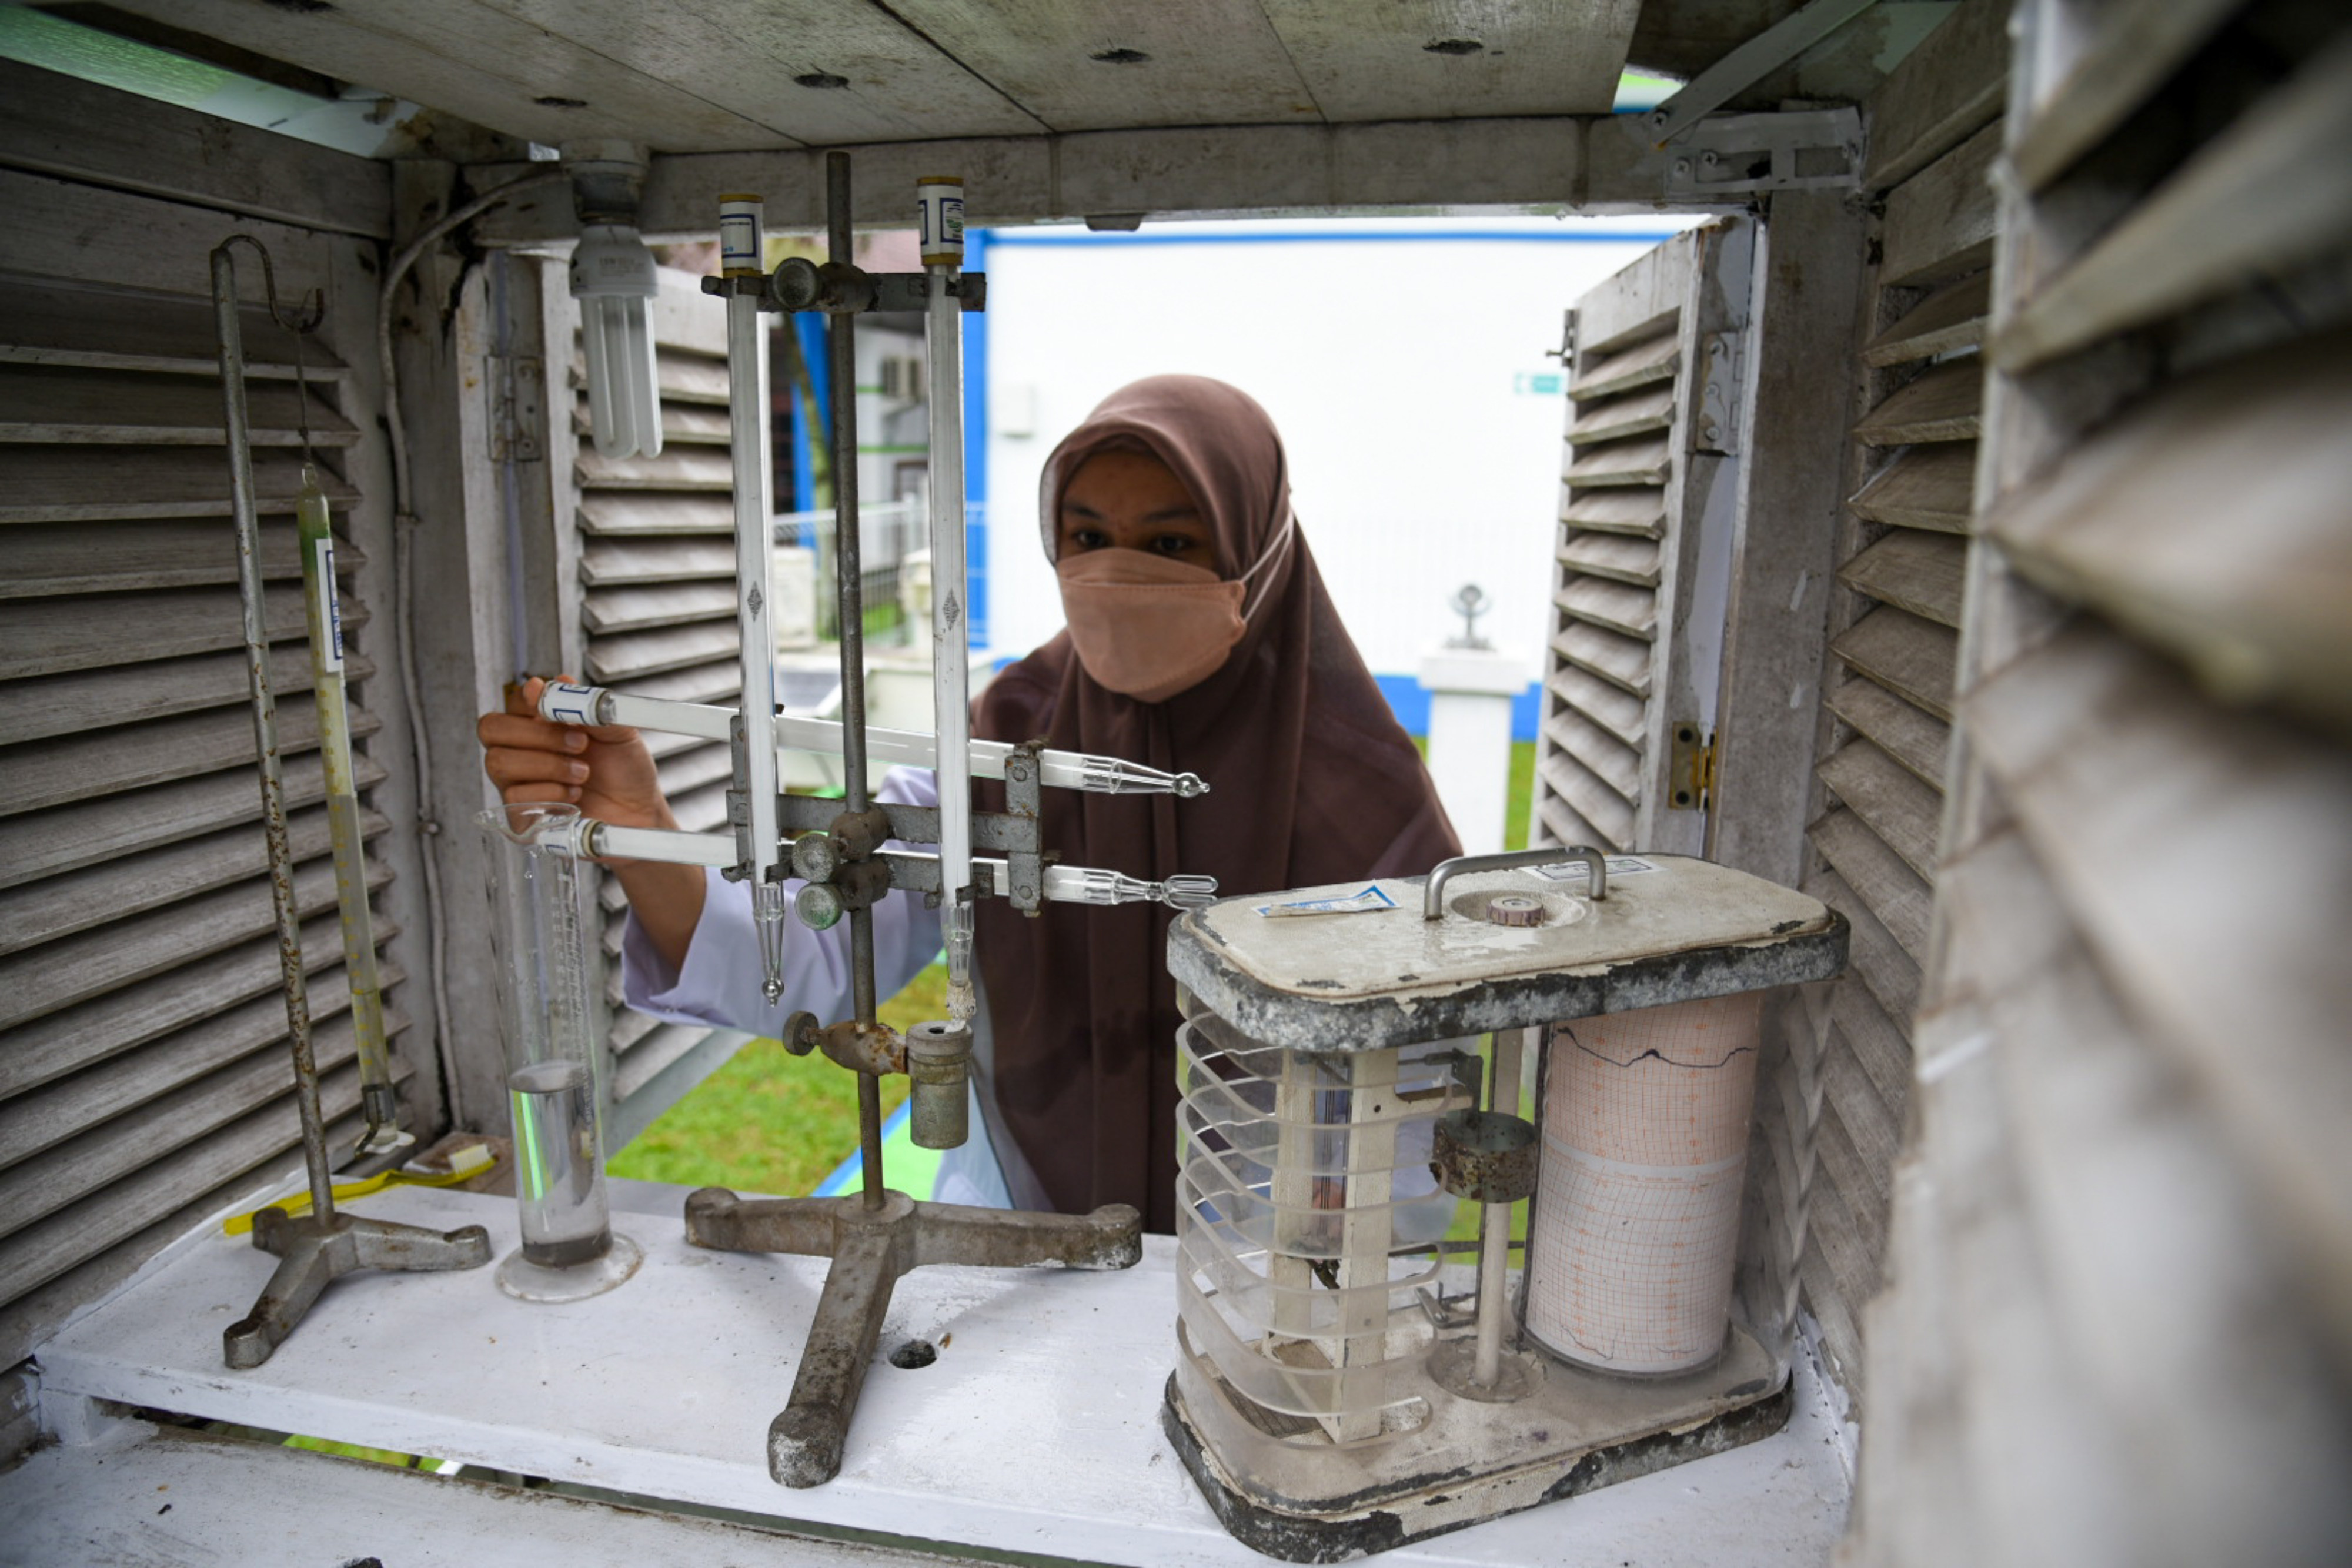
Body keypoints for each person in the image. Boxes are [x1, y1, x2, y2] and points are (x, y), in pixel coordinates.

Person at [481, 375, 1460, 1232]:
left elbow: (1420, 1114)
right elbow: (818, 955)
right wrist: (642, 829)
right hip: (1016, 1230)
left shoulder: (1361, 796)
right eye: (1087, 538)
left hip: (1273, 1271)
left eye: (1170, 541)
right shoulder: (1009, 735)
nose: (1117, 575)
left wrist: (1303, 1233)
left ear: (1260, 547)